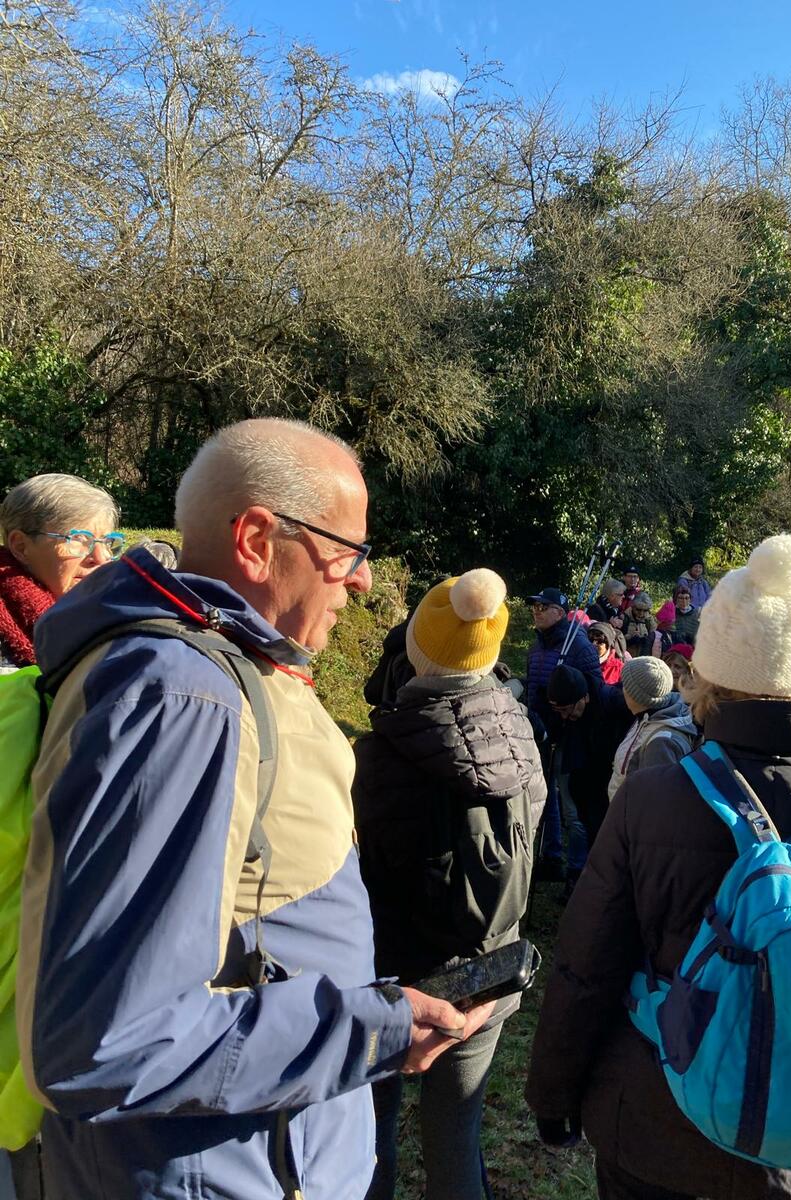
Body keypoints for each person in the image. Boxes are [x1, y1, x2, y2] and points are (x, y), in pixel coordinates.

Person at [17, 419, 491, 1200]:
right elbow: (104, 1040)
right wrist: (372, 1029)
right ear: (257, 540)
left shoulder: (222, 670)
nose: (362, 580)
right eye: (347, 550)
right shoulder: (182, 695)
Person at [526, 533, 791, 1200]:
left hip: (653, 1124)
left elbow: (587, 964)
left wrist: (553, 1097)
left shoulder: (651, 796)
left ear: (709, 674)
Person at [352, 569, 546, 1200]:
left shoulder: (376, 756)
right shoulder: (522, 740)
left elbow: (366, 875)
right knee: (456, 1137)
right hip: (488, 976)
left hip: (396, 985)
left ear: (413, 651)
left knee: (369, 1136)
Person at [0, 473, 122, 671]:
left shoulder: (121, 614)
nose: (101, 558)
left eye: (107, 542)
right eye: (79, 539)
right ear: (21, 546)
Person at [526, 586, 601, 884]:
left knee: (571, 804)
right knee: (544, 795)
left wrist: (567, 705)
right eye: (534, 607)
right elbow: (532, 685)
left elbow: (594, 690)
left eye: (542, 607)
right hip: (541, 732)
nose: (536, 612)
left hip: (570, 733)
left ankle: (577, 870)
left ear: (559, 612)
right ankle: (551, 856)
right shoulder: (536, 646)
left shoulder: (578, 646)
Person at [546, 664, 630, 852]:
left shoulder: (615, 703)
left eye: (567, 709)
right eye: (559, 711)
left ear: (585, 697)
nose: (565, 716)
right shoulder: (569, 711)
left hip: (610, 785)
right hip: (585, 786)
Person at [607, 658, 697, 801]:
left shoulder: (661, 743)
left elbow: (656, 800)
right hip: (622, 809)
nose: (622, 690)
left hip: (632, 813)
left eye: (625, 685)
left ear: (636, 695)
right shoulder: (647, 717)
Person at [621, 592, 657, 657]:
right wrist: (630, 637)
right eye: (638, 610)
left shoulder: (649, 620)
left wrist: (646, 638)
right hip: (627, 656)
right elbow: (619, 639)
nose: (641, 613)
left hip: (644, 655)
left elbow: (654, 637)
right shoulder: (625, 618)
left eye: (645, 610)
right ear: (633, 606)